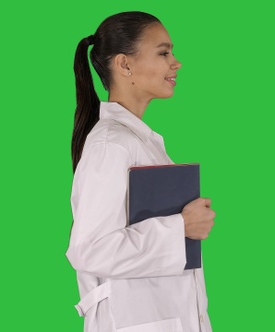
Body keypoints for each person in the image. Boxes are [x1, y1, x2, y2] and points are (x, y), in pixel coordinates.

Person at [66, 11, 216, 332]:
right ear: (124, 65)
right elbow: (89, 250)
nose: (176, 63)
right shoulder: (112, 145)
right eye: (163, 53)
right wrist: (181, 228)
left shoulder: (140, 142)